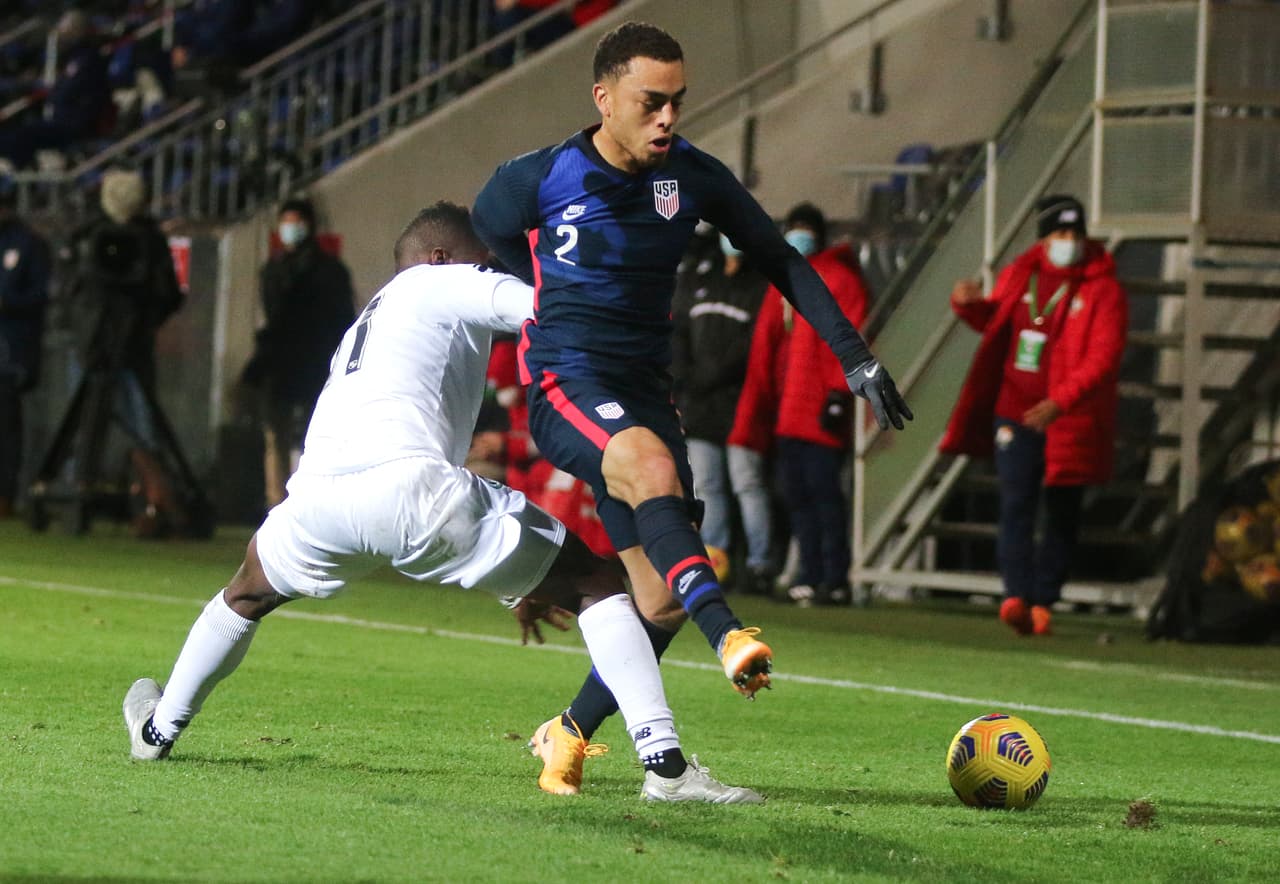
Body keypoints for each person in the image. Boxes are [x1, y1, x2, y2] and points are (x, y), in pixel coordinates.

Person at [122, 202, 762, 804]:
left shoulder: (368, 320)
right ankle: (666, 767)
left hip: (317, 502)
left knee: (244, 594)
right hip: (412, 493)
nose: (489, 266)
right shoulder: (438, 282)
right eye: (481, 257)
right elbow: (548, 309)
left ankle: (157, 731)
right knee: (598, 584)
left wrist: (520, 578)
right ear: (437, 255)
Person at [472, 21, 911, 791]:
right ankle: (728, 636)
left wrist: (855, 355)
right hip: (567, 381)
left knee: (658, 600)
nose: (668, 118)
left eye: (677, 102)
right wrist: (546, 288)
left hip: (646, 389)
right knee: (649, 475)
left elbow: (777, 257)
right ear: (604, 99)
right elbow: (489, 224)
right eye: (651, 103)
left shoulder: (692, 178)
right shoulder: (540, 177)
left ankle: (574, 735)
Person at [940, 195, 1127, 636]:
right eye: (1061, 233)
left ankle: (1044, 599)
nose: (1070, 242)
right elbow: (997, 320)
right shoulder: (1020, 274)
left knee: (1061, 510)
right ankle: (1016, 596)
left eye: (1076, 234)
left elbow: (1104, 356)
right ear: (1044, 239)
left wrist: (1060, 402)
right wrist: (968, 305)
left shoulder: (1104, 289)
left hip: (1068, 418)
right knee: (1016, 503)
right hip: (1014, 411)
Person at [729, 202, 871, 607]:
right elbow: (765, 352)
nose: (799, 236)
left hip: (822, 409)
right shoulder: (786, 281)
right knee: (798, 498)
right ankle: (810, 575)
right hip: (790, 412)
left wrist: (838, 393)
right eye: (794, 228)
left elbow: (851, 336)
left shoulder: (839, 280)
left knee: (825, 497)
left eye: (806, 229)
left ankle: (834, 576)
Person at [670, 224, 770, 592]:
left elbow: (752, 345)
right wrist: (686, 378)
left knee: (748, 484)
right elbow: (679, 332)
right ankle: (716, 560)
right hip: (700, 404)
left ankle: (759, 566)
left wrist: (710, 373)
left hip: (740, 405)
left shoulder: (759, 286)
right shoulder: (702, 280)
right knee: (707, 486)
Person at [241, 197, 355, 509]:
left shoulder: (328, 271)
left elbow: (340, 318)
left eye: (295, 223)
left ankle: (306, 503)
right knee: (275, 435)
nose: (290, 230)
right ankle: (276, 502)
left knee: (312, 435)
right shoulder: (273, 269)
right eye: (286, 223)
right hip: (280, 362)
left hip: (314, 361)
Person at [0, 175, 51, 519]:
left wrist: (7, 302)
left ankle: (5, 495)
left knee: (5, 425)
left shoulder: (29, 243)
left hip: (9, 351)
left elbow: (42, 295)